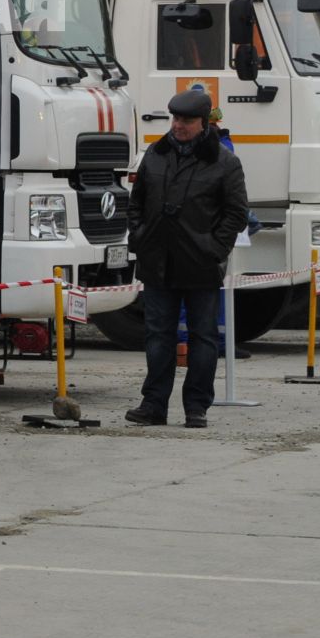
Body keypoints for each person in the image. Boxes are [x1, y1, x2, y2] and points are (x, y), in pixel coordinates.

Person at [124, 88, 249, 429]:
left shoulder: (225, 162)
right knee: (157, 336)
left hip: (200, 263)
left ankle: (197, 407)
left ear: (204, 123)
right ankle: (154, 405)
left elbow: (236, 213)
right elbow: (136, 203)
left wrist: (214, 248)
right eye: (176, 119)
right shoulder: (156, 153)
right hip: (157, 261)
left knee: (203, 338)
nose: (179, 126)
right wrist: (140, 236)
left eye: (187, 121)